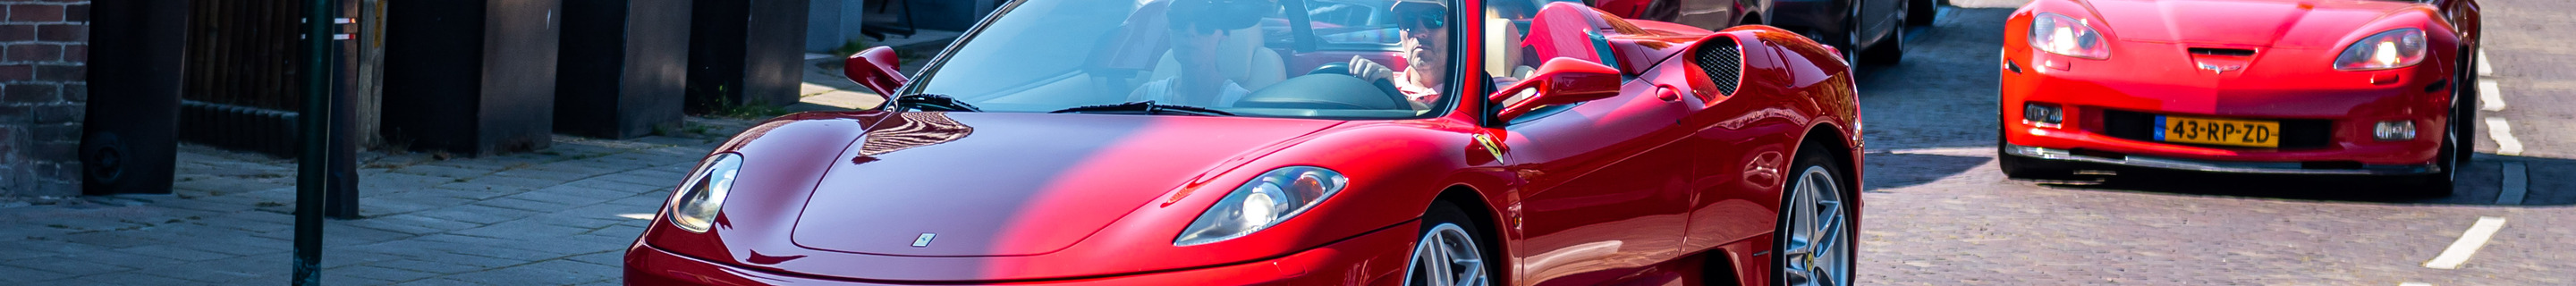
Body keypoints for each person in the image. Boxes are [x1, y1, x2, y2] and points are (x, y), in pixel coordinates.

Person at [1128, 0, 1272, 107]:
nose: (1190, 32)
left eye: (1204, 23)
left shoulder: (1240, 106)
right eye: (1179, 20)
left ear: (1224, 32)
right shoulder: (1143, 99)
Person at [1346, 0, 1452, 110]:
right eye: (1407, 19)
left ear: (1456, 30)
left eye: (1433, 18)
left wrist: (1394, 99)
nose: (1419, 32)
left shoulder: (1465, 94)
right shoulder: (1380, 84)